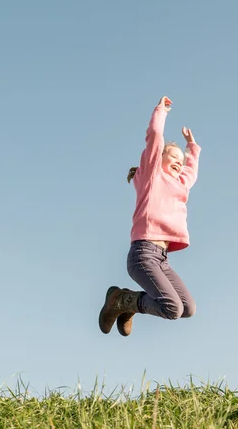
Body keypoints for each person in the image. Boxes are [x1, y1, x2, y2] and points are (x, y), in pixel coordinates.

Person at [98, 96, 201, 337]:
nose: (179, 162)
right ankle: (121, 300)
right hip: (143, 254)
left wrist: (192, 148)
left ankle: (127, 303)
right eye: (173, 157)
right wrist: (161, 111)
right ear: (159, 158)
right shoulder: (152, 176)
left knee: (188, 308)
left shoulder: (180, 186)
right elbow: (155, 138)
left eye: (181, 160)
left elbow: (191, 172)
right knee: (172, 308)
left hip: (161, 259)